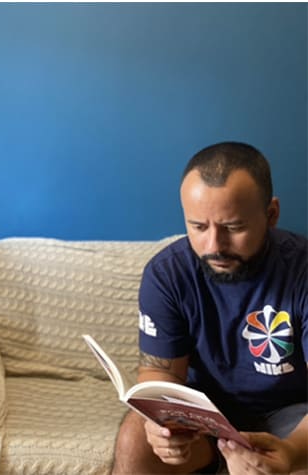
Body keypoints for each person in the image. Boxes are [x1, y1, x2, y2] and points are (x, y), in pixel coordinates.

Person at [113, 142, 308, 474]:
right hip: (204, 416)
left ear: (271, 214)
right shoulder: (167, 274)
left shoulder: (301, 269)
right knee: (135, 439)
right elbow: (161, 371)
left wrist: (291, 452)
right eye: (198, 227)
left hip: (293, 414)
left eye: (233, 227)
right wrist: (161, 427)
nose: (214, 246)